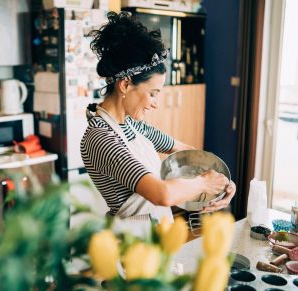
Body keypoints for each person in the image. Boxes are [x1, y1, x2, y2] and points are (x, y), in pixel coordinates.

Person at [80, 12, 236, 231]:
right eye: (152, 93)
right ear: (125, 86)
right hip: (129, 243)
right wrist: (204, 183)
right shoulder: (101, 138)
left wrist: (223, 183)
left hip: (156, 234)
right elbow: (161, 194)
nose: (155, 103)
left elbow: (189, 155)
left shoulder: (133, 125)